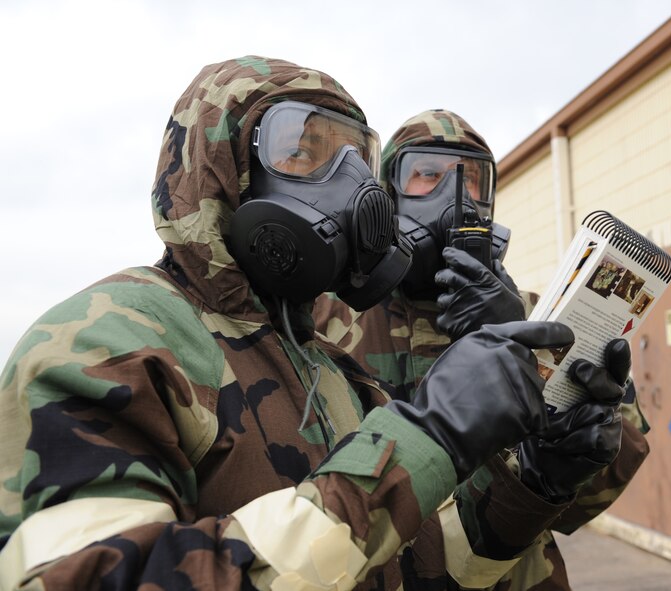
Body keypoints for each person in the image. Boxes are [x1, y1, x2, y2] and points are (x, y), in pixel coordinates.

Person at [0, 57, 626, 590]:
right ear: (222, 167)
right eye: (304, 153)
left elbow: (407, 566)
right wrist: (429, 436)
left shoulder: (329, 368)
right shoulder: (112, 338)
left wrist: (533, 482)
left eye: (357, 160)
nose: (352, 190)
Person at [314, 109, 651, 590]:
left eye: (473, 181)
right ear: (387, 192)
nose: (456, 199)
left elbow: (591, 493)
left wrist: (515, 333)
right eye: (427, 174)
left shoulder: (541, 316)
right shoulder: (331, 317)